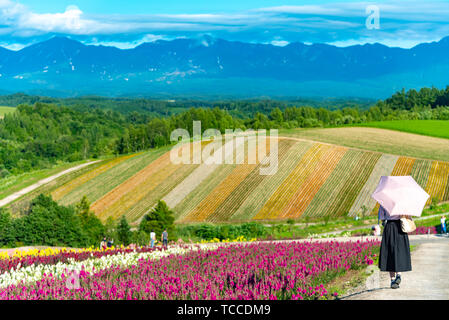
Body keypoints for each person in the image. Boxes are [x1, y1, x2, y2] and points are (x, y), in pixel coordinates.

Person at [378, 205, 412, 289]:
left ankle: (392, 280)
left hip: (389, 227)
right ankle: (399, 274)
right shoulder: (401, 202)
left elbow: (382, 217)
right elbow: (408, 216)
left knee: (390, 252)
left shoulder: (384, 203)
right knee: (400, 251)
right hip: (400, 227)